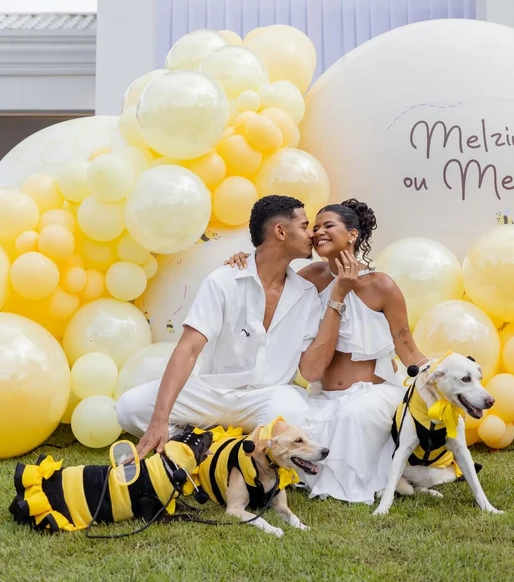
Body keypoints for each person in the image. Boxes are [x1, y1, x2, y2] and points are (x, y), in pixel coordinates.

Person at [116, 194, 358, 460]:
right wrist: (159, 420)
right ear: (280, 231)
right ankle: (201, 447)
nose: (311, 235)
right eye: (304, 226)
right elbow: (188, 350)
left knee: (296, 417)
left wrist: (337, 299)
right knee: (130, 408)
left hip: (269, 397)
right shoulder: (223, 281)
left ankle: (220, 450)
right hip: (213, 392)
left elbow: (311, 371)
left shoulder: (307, 293)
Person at [225, 199, 427, 504]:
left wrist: (440, 374)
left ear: (353, 234)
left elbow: (406, 345)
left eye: (327, 225)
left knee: (352, 416)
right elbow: (269, 278)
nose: (318, 232)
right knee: (299, 425)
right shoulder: (310, 277)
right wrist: (245, 260)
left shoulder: (381, 285)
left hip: (372, 392)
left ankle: (356, 484)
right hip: (322, 395)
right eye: (314, 227)